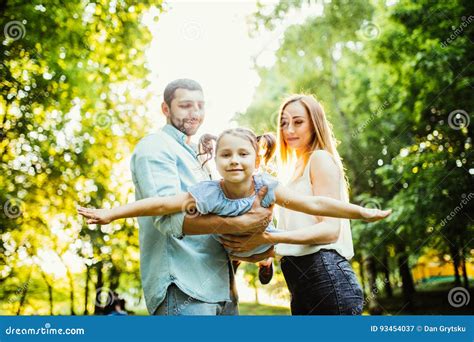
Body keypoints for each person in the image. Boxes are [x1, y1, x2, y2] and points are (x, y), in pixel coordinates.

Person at [78, 128, 391, 285]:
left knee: (266, 246)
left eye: (243, 154)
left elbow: (316, 202)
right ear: (216, 161)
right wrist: (111, 213)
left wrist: (361, 213)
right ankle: (240, 263)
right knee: (224, 247)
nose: (234, 161)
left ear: (256, 160)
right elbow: (161, 203)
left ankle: (264, 263)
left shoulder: (267, 186)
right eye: (226, 155)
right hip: (232, 249)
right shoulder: (208, 193)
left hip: (263, 245)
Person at [89, 79, 275, 316]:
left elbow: (220, 216)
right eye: (186, 105)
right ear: (165, 109)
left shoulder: (201, 157)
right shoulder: (155, 146)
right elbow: (167, 219)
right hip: (184, 288)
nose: (195, 112)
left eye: (200, 105)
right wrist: (242, 223)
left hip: (223, 289)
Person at [224, 94, 373, 315]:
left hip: (326, 277)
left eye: (298, 122)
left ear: (315, 123)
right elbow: (295, 235)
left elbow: (330, 230)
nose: (289, 130)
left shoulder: (320, 159)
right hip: (300, 283)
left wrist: (271, 238)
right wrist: (257, 250)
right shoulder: (292, 171)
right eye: (283, 123)